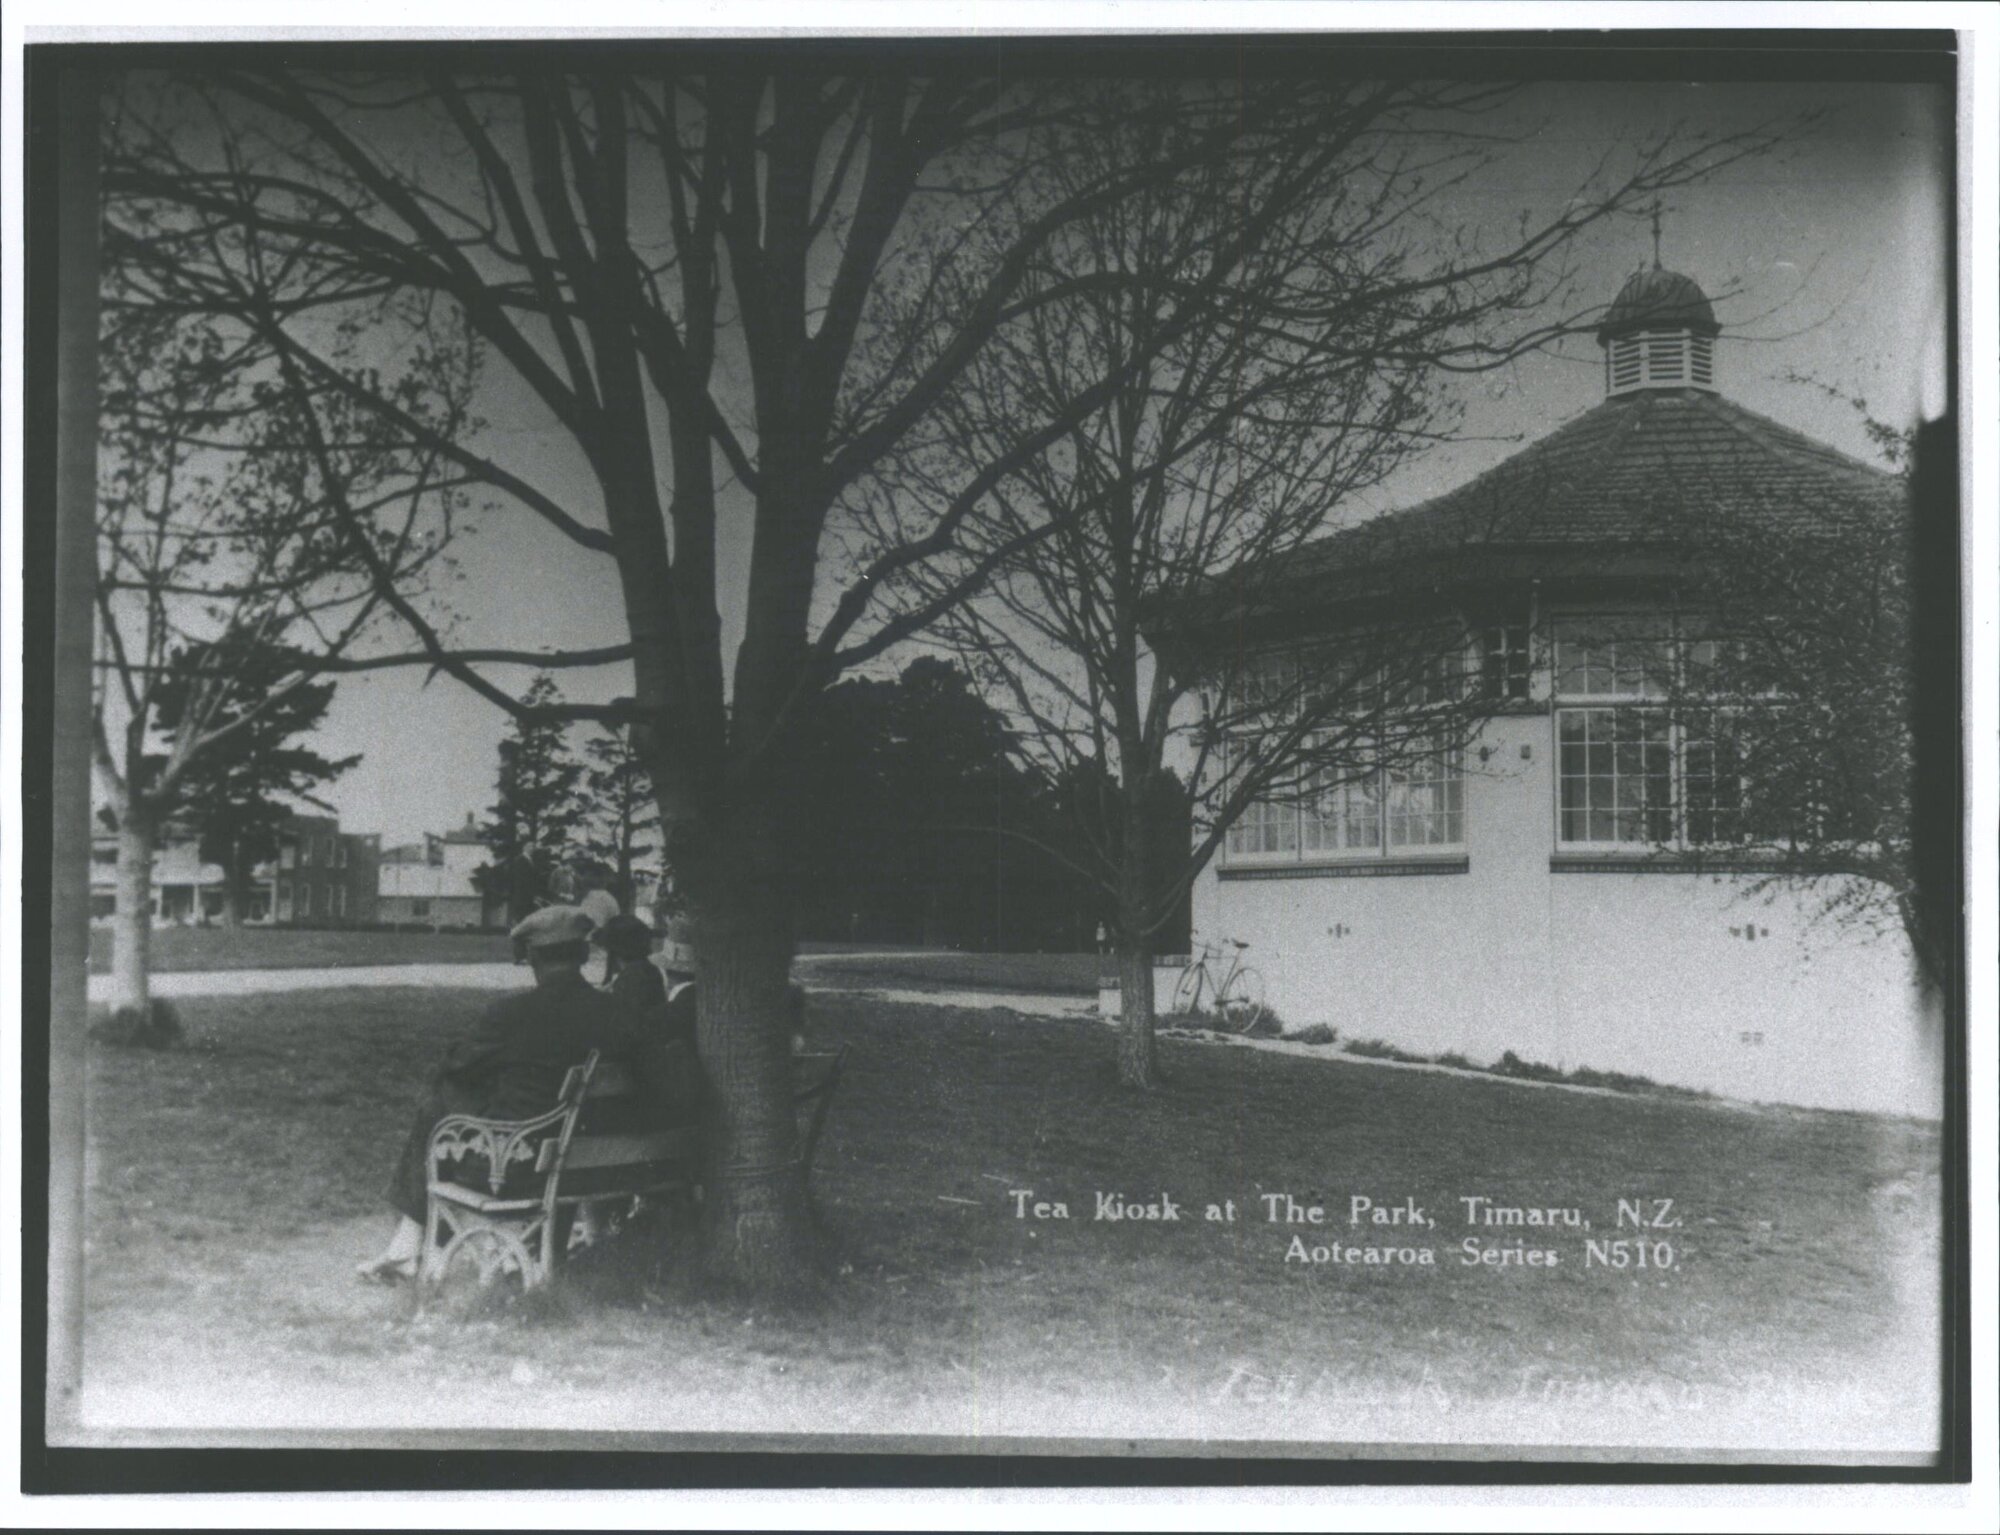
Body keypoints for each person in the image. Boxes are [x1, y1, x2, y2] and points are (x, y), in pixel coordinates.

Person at [357, 905, 682, 1284]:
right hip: (594, 1167)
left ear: (532, 957)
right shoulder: (617, 1013)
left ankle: (407, 1248)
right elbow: (658, 1078)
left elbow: (456, 1065)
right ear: (582, 955)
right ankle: (405, 1250)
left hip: (517, 1165)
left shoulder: (510, 1015)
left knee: (445, 1095)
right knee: (456, 1096)